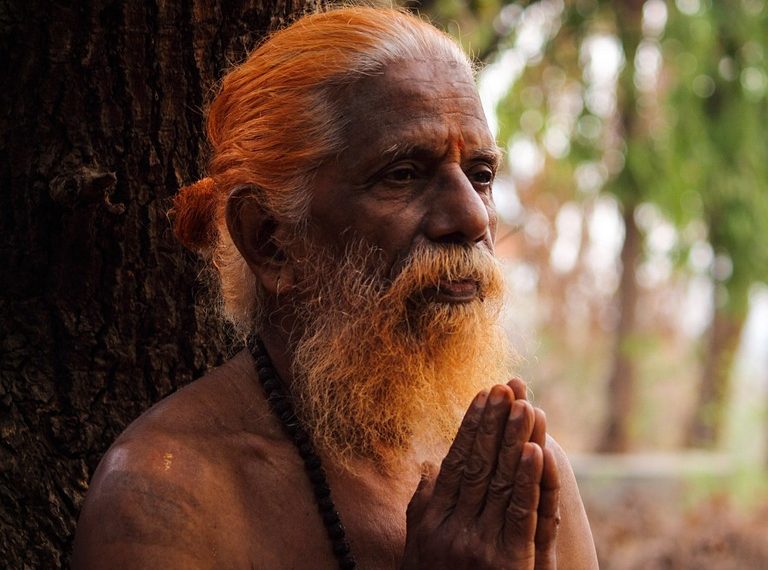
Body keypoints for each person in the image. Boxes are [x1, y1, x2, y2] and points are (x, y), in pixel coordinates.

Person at [72, 6, 599, 569]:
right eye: (403, 174)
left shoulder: (515, 478)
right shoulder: (164, 498)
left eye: (482, 175)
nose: (472, 218)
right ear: (270, 239)